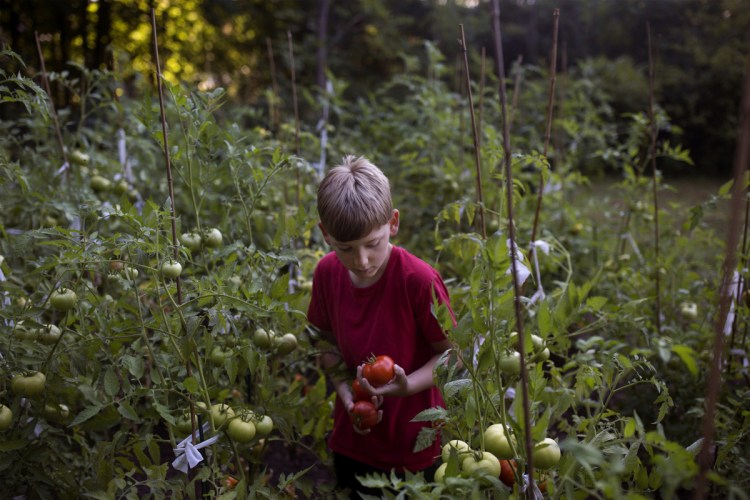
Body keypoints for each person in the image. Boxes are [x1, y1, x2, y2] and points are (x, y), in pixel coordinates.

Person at [306, 155, 456, 497]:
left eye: (372, 244)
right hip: (352, 438)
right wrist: (344, 389)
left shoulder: (418, 280)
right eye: (346, 248)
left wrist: (407, 386)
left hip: (414, 445)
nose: (361, 261)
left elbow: (452, 355)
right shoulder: (326, 274)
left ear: (392, 223)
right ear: (325, 234)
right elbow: (323, 342)